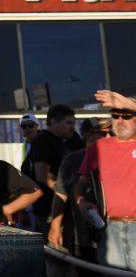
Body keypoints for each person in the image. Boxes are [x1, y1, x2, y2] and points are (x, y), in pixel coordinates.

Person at [76, 106, 136, 270]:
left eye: (126, 116)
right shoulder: (96, 149)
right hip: (109, 227)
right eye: (115, 116)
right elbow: (81, 184)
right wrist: (81, 201)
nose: (120, 120)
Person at [48, 117, 110, 261]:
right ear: (86, 135)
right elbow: (60, 194)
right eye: (102, 133)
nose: (108, 137)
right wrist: (55, 227)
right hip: (84, 237)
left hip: (115, 238)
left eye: (109, 133)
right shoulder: (72, 160)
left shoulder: (116, 157)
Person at [21, 103, 83, 234]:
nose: (72, 127)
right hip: (49, 211)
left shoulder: (73, 139)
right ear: (53, 122)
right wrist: (68, 193)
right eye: (68, 123)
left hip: (71, 210)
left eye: (73, 123)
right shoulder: (42, 141)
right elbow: (43, 176)